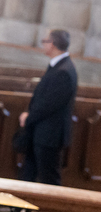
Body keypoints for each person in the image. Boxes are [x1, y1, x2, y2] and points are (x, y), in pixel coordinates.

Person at [19, 29, 78, 185]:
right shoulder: (58, 66)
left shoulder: (63, 71)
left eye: (44, 41)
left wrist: (28, 117)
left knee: (49, 179)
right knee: (28, 175)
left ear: (52, 44)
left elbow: (49, 104)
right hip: (42, 132)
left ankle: (49, 204)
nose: (43, 45)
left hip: (50, 136)